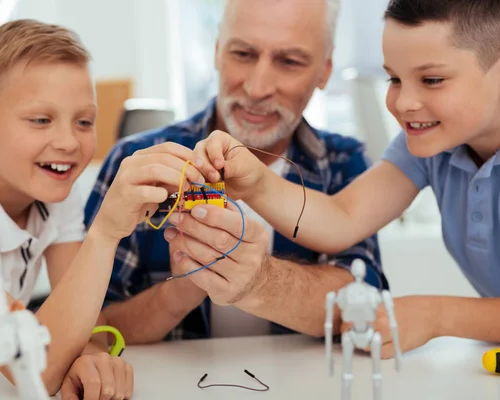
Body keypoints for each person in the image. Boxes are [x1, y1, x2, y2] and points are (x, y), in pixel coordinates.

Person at [0, 19, 205, 399]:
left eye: (84, 121)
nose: (68, 142)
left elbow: (86, 323)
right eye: (41, 120)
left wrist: (88, 356)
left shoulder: (49, 189)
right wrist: (106, 230)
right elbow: (34, 371)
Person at [193, 0, 500, 358]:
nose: (403, 103)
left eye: (432, 80)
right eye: (395, 79)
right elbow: (343, 217)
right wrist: (257, 182)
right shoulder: (432, 144)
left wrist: (438, 315)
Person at [84, 0, 387, 344]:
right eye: (243, 54)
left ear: (325, 72)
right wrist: (180, 291)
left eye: (289, 62)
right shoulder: (134, 161)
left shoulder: (344, 163)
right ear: (216, 51)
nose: (257, 89)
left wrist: (262, 281)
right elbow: (88, 327)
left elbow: (364, 303)